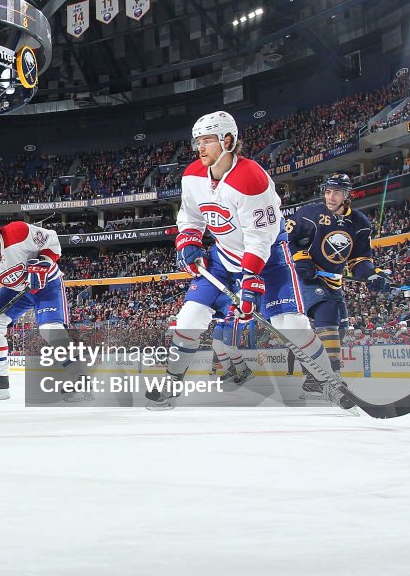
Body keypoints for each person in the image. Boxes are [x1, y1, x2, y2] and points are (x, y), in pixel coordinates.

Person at [150, 110, 351, 410]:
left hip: (269, 259)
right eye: (197, 142)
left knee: (291, 325)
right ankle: (172, 382)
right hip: (223, 257)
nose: (200, 148)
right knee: (188, 318)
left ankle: (330, 382)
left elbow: (261, 238)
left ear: (227, 141)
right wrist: (189, 240)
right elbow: (190, 215)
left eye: (207, 141)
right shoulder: (192, 175)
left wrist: (251, 281)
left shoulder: (252, 179)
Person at [286, 173, 391, 398]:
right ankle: (332, 378)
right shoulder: (308, 213)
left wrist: (372, 275)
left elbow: (359, 259)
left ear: (346, 195)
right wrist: (301, 258)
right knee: (328, 316)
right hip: (307, 278)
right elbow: (287, 239)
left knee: (340, 329)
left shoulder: (360, 223)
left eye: (336, 192)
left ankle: (314, 378)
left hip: (334, 281)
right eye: (328, 191)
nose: (330, 197)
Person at [0, 209, 70, 400]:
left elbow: (51, 239)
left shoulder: (18, 232)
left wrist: (44, 261)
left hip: (46, 284)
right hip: (18, 290)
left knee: (50, 329)